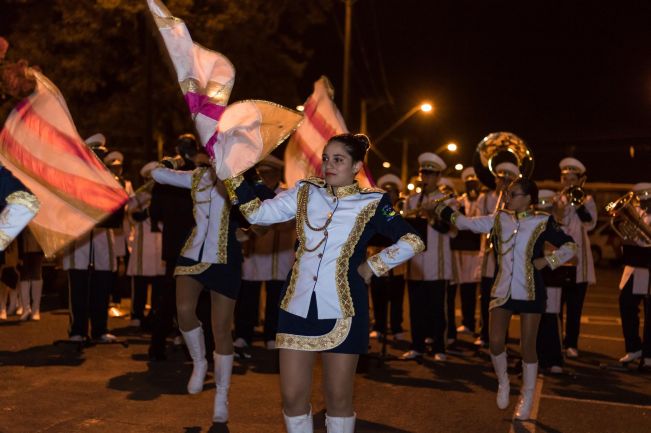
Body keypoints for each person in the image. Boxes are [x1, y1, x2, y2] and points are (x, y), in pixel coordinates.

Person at [222, 133, 425, 433]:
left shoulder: (372, 201)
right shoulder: (305, 191)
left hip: (344, 308)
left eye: (338, 160)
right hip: (296, 306)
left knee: (338, 398)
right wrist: (232, 174)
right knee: (292, 398)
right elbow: (258, 214)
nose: (329, 165)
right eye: (326, 158)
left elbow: (413, 240)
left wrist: (373, 266)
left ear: (356, 166)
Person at [435, 177, 576, 420]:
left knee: (528, 346)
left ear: (528, 198)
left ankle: (527, 396)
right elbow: (467, 223)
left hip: (531, 291)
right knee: (495, 342)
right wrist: (441, 208)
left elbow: (571, 246)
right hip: (502, 290)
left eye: (513, 194)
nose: (507, 197)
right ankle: (503, 381)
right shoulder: (499, 219)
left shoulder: (542, 221)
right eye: (508, 193)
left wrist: (547, 261)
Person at [151, 146, 242, 423]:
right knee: (183, 310)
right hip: (193, 253)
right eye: (213, 151)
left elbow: (266, 210)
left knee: (221, 329)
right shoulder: (197, 176)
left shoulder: (240, 179)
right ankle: (199, 362)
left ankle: (222, 395)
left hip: (225, 258)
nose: (215, 157)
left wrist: (251, 230)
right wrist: (174, 160)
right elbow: (156, 174)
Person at [234, 155, 296, 355]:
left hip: (279, 255)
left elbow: (287, 224)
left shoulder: (285, 195)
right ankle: (243, 334)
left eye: (269, 174)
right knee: (248, 297)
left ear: (277, 174)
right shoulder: (252, 194)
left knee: (276, 298)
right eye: (262, 174)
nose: (265, 177)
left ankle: (271, 335)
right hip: (254, 254)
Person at [147, 134, 197, 361]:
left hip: (173, 245)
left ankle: (157, 347)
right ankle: (195, 349)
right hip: (195, 244)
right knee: (196, 299)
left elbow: (155, 213)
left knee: (168, 298)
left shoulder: (164, 176)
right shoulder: (200, 174)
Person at [401, 153, 455, 361]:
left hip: (437, 263)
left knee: (437, 309)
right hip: (415, 263)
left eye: (431, 174)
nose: (426, 177)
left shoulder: (448, 201)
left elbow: (450, 230)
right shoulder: (411, 200)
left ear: (438, 177)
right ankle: (417, 345)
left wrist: (431, 216)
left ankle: (439, 347)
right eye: (423, 173)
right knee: (416, 307)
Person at [474, 162, 520, 347]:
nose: (503, 183)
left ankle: (502, 336)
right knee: (486, 296)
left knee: (502, 299)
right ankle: (484, 334)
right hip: (488, 256)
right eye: (501, 179)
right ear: (495, 179)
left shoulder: (516, 201)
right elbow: (478, 222)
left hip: (506, 257)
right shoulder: (485, 198)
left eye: (508, 181)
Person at [554, 157, 597, 358]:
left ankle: (571, 343)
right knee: (556, 304)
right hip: (559, 259)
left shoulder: (587, 200)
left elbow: (590, 223)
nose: (569, 183)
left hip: (579, 261)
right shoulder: (556, 200)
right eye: (566, 179)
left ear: (580, 180)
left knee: (575, 306)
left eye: (573, 179)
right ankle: (555, 341)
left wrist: (578, 203)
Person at [125, 161, 166, 328]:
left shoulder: (165, 197)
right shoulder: (138, 198)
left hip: (160, 245)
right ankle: (137, 314)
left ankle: (155, 314)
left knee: (158, 283)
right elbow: (132, 216)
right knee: (140, 282)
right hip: (143, 245)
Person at [368, 174, 407, 342]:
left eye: (392, 192)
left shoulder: (402, 211)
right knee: (378, 296)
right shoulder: (373, 211)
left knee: (396, 298)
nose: (389, 195)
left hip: (397, 264)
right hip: (378, 259)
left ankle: (397, 327)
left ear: (397, 195)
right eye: (386, 192)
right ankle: (379, 326)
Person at [616, 183, 651, 368]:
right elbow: (627, 239)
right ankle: (634, 347)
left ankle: (649, 354)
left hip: (648, 266)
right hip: (637, 267)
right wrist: (627, 235)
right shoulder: (637, 212)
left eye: (646, 198)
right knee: (626, 303)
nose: (643, 202)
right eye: (640, 198)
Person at [535, 189, 567, 374]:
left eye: (547, 208)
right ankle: (537, 357)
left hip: (552, 276)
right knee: (535, 318)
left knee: (551, 317)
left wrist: (549, 261)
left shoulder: (558, 227)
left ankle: (555, 359)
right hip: (535, 277)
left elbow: (570, 253)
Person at [451, 167, 482, 338]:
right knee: (463, 287)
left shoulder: (482, 201)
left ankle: (473, 323)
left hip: (477, 249)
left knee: (473, 289)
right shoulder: (460, 201)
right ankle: (466, 322)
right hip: (461, 249)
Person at [17, 228, 44, 321]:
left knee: (36, 276)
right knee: (24, 278)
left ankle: (36, 309)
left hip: (37, 246)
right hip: (22, 246)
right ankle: (26, 308)